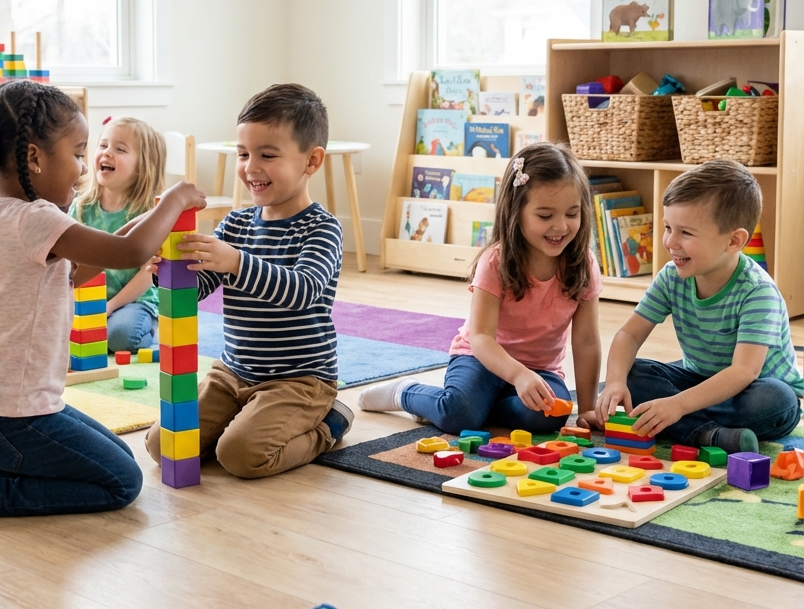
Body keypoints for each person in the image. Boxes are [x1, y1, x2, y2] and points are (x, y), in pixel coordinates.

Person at [0, 80, 204, 521]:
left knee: (113, 452)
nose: (83, 168)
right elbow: (127, 254)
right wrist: (177, 196)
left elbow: (78, 270)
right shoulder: (35, 219)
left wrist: (147, 221)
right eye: (79, 153)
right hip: (7, 416)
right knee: (122, 479)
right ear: (33, 157)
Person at [144, 83, 353, 479]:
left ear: (311, 161)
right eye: (243, 154)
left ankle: (330, 425)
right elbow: (202, 285)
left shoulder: (322, 229)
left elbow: (302, 291)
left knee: (241, 456)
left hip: (299, 378)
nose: (250, 167)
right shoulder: (236, 224)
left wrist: (237, 262)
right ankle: (242, 417)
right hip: (234, 373)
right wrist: (167, 272)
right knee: (164, 443)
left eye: (267, 155)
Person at [358, 143, 601, 434]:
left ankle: (478, 405)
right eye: (545, 216)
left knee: (548, 416)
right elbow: (481, 338)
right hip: (480, 360)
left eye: (572, 214)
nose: (560, 226)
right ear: (516, 211)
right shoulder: (496, 261)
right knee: (458, 415)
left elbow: (586, 342)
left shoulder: (583, 264)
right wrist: (518, 375)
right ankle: (406, 392)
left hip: (540, 370)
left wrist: (587, 408)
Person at [592, 160, 802, 453]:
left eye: (686, 233)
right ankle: (709, 435)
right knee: (628, 377)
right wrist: (615, 382)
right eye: (668, 228)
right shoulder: (670, 277)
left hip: (751, 390)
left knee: (776, 400)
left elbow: (743, 372)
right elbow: (629, 335)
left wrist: (677, 404)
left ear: (734, 240)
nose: (670, 241)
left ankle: (684, 424)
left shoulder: (757, 292)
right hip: (697, 378)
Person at [70, 116, 166, 353]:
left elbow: (147, 276)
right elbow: (69, 264)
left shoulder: (148, 214)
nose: (107, 153)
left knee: (120, 337)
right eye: (103, 145)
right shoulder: (81, 207)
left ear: (142, 166)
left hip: (134, 301)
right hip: (87, 299)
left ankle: (148, 327)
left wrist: (110, 307)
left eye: (120, 149)